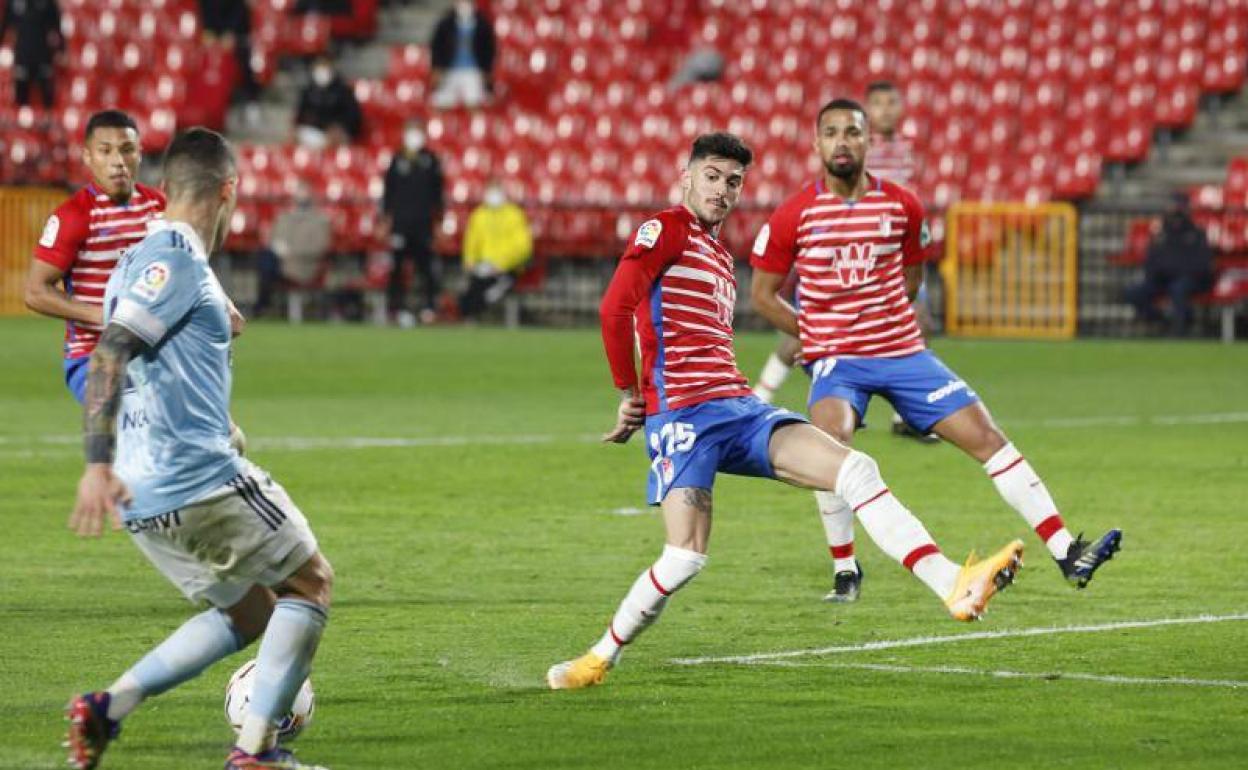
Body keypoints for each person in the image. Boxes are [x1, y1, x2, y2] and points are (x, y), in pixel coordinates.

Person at [546, 132, 1026, 691]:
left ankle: (953, 583)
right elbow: (616, 306)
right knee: (684, 557)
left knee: (856, 469)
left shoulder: (722, 258)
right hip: (686, 418)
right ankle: (598, 659)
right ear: (687, 177)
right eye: (712, 177)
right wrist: (630, 391)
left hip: (742, 409)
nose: (722, 191)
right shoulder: (666, 229)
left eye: (733, 182)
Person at [749, 99, 1122, 605]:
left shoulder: (902, 204)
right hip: (840, 361)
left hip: (904, 353)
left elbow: (912, 276)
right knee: (830, 444)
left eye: (852, 133)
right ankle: (845, 569)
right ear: (816, 144)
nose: (842, 141)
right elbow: (761, 296)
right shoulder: (795, 214)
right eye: (831, 132)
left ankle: (1066, 551)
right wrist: (816, 336)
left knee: (987, 437)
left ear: (867, 142)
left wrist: (884, 322)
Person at [62, 128, 333, 770]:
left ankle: (107, 708)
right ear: (227, 192)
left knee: (249, 611)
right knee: (310, 584)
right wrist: (93, 465)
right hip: (193, 477)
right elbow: (109, 355)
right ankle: (256, 754)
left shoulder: (135, 260)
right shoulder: (177, 261)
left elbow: (157, 358)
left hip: (143, 495)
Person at [752, 81, 937, 447]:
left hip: (883, 253)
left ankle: (902, 415)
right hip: (838, 254)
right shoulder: (850, 153)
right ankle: (760, 397)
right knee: (797, 337)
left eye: (892, 103)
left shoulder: (906, 151)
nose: (886, 111)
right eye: (878, 104)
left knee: (920, 320)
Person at [23, 111, 168, 404]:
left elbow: (186, 267)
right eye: (105, 151)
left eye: (127, 150)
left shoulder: (160, 207)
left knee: (219, 432)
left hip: (154, 353)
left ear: (140, 154)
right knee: (131, 419)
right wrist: (106, 317)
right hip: (95, 354)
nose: (118, 161)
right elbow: (35, 292)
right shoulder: (74, 216)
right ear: (88, 157)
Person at [1124, 195, 1215, 337]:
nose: (1175, 214)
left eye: (1178, 209)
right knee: (1133, 292)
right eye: (1172, 209)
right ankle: (1159, 319)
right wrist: (1156, 275)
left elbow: (1203, 266)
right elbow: (1151, 261)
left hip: (1188, 280)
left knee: (1178, 288)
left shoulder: (1196, 234)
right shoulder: (1161, 235)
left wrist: (1178, 272)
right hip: (1162, 280)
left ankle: (1180, 331)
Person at [382, 120, 443, 325]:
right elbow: (388, 194)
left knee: (426, 268)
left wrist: (439, 222)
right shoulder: (397, 159)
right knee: (398, 268)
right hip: (401, 223)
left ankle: (428, 308)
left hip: (423, 223)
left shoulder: (431, 160)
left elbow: (438, 194)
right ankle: (398, 308)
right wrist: (385, 220)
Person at [254, 180, 332, 317]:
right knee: (265, 257)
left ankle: (262, 306)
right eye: (298, 193)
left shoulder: (321, 220)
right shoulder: (283, 218)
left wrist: (291, 253)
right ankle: (263, 305)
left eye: (304, 193)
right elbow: (274, 240)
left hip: (304, 266)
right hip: (281, 263)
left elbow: (320, 247)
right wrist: (279, 249)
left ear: (311, 195)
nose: (301, 197)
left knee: (266, 261)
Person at [458, 179, 531, 320]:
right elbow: (471, 242)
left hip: (507, 271)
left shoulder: (514, 215)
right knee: (471, 292)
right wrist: (469, 260)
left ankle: (472, 317)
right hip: (483, 268)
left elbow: (523, 247)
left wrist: (502, 264)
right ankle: (468, 319)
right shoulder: (479, 215)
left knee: (486, 295)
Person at [429, 0, 495, 110]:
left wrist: (486, 69)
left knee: (474, 102)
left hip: (473, 70)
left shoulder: (483, 25)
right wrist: (436, 66)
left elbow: (489, 49)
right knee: (441, 103)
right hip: (448, 69)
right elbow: (437, 47)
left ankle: (476, 127)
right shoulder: (445, 24)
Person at [0, 0, 62, 107]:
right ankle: (21, 122)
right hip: (22, 55)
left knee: (47, 96)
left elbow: (57, 28)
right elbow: (5, 26)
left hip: (43, 55)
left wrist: (61, 49)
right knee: (21, 97)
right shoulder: (14, 3)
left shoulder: (48, 3)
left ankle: (47, 121)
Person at [294, 55, 362, 147]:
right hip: (313, 133)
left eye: (324, 66)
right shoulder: (309, 91)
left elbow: (353, 117)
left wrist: (340, 128)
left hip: (336, 135)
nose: (321, 71)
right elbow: (299, 116)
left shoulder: (343, 91)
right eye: (318, 66)